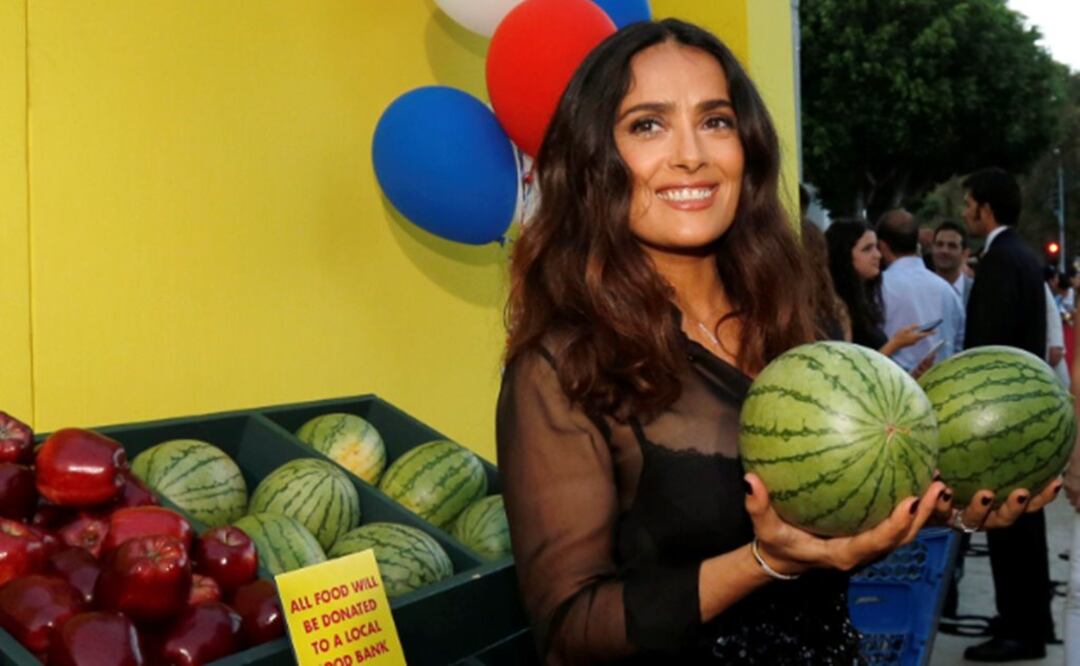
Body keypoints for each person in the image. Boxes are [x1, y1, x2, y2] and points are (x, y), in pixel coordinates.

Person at [496, 20, 1055, 664]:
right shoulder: (561, 368)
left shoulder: (794, 320)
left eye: (715, 121)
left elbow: (836, 520)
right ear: (596, 158)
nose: (691, 155)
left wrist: (937, 509)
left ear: (748, 147)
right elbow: (569, 629)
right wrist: (763, 560)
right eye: (647, 124)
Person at [962, 167, 1054, 662]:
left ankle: (1019, 628)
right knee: (1025, 519)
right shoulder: (1023, 255)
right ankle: (1027, 618)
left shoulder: (1000, 260)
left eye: (967, 202)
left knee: (1006, 522)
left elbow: (985, 349)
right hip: (1024, 413)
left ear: (984, 207)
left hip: (1000, 418)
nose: (963, 212)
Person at [824, 219, 929, 358]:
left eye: (876, 247)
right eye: (867, 249)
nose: (878, 255)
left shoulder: (864, 300)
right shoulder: (836, 307)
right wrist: (895, 344)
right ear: (844, 255)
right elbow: (847, 368)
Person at [875, 209, 965, 373]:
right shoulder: (948, 291)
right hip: (941, 386)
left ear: (882, 246)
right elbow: (959, 346)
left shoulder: (878, 288)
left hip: (893, 387)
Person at [932, 221, 974, 306]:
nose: (944, 251)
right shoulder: (920, 289)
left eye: (952, 246)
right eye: (939, 244)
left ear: (965, 253)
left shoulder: (977, 291)